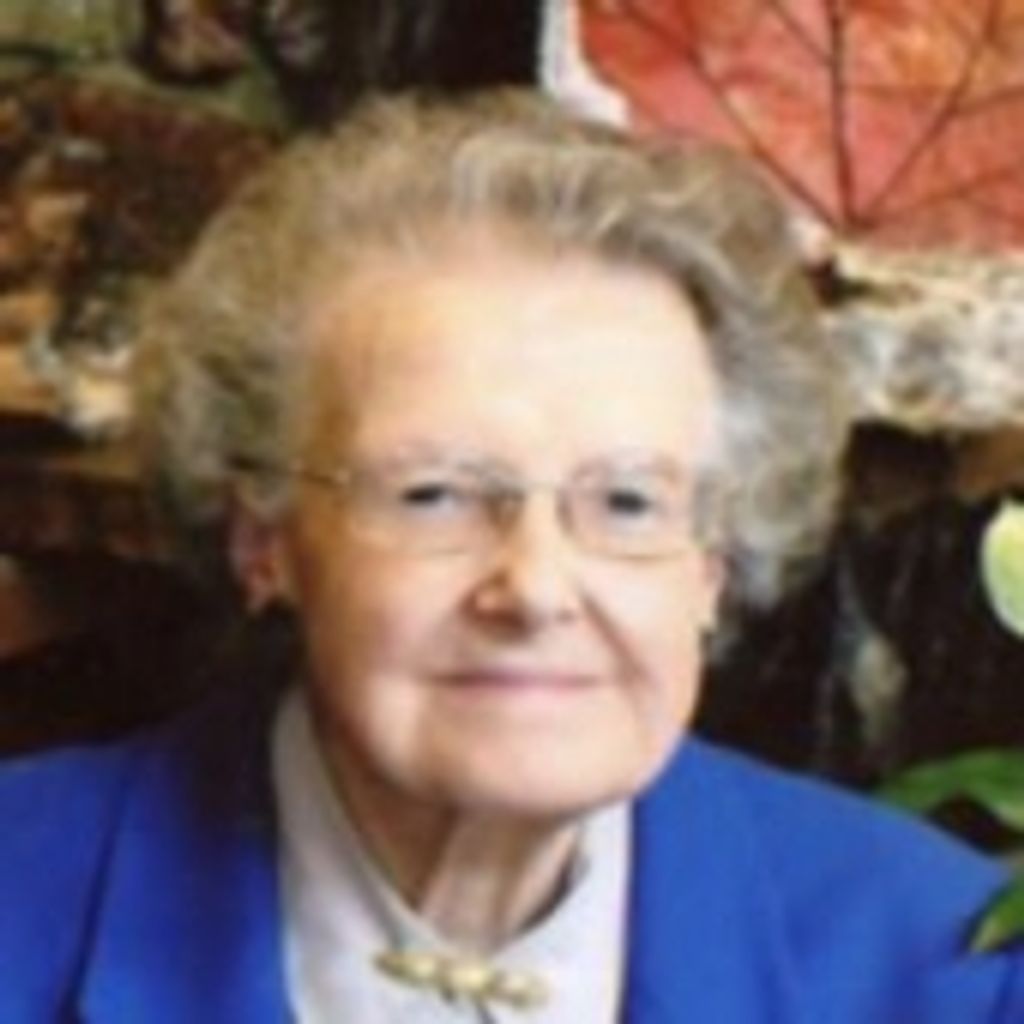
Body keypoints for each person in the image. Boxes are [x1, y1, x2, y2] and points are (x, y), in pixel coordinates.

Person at [0, 89, 1020, 1024]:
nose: (534, 587)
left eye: (627, 502)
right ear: (263, 540)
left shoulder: (955, 972)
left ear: (712, 563)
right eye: (433, 494)